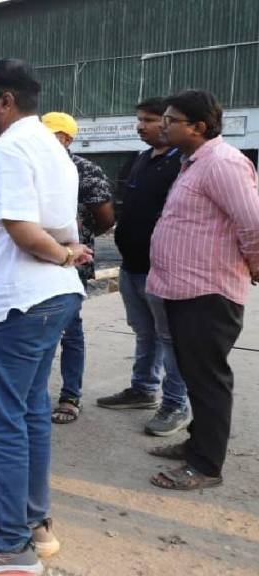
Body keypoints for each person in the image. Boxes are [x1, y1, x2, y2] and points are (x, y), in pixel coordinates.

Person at [0, 59, 92, 575]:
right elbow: (64, 230)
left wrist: (63, 255)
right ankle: (30, 521)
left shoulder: (9, 149)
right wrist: (66, 253)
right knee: (28, 415)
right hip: (42, 300)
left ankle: (7, 546)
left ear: (6, 101)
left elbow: (28, 232)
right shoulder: (51, 147)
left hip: (10, 304)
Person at [146, 90, 259, 491]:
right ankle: (197, 444)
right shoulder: (191, 163)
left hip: (208, 291)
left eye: (171, 120)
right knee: (195, 374)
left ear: (199, 127)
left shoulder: (224, 163)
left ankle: (206, 466)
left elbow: (252, 222)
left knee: (209, 379)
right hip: (184, 289)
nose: (162, 125)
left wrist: (255, 265)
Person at [96, 98, 190, 437]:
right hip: (132, 265)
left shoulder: (183, 163)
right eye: (140, 120)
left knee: (170, 337)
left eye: (150, 120)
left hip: (163, 269)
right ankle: (143, 389)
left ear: (168, 122)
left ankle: (176, 402)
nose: (142, 126)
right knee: (144, 332)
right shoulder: (139, 161)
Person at [40, 112, 115, 425]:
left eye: (50, 134)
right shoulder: (32, 168)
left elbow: (106, 220)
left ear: (66, 138)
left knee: (70, 328)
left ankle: (70, 395)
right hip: (33, 261)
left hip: (73, 263)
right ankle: (33, 396)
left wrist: (79, 240)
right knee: (34, 329)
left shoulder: (85, 170)